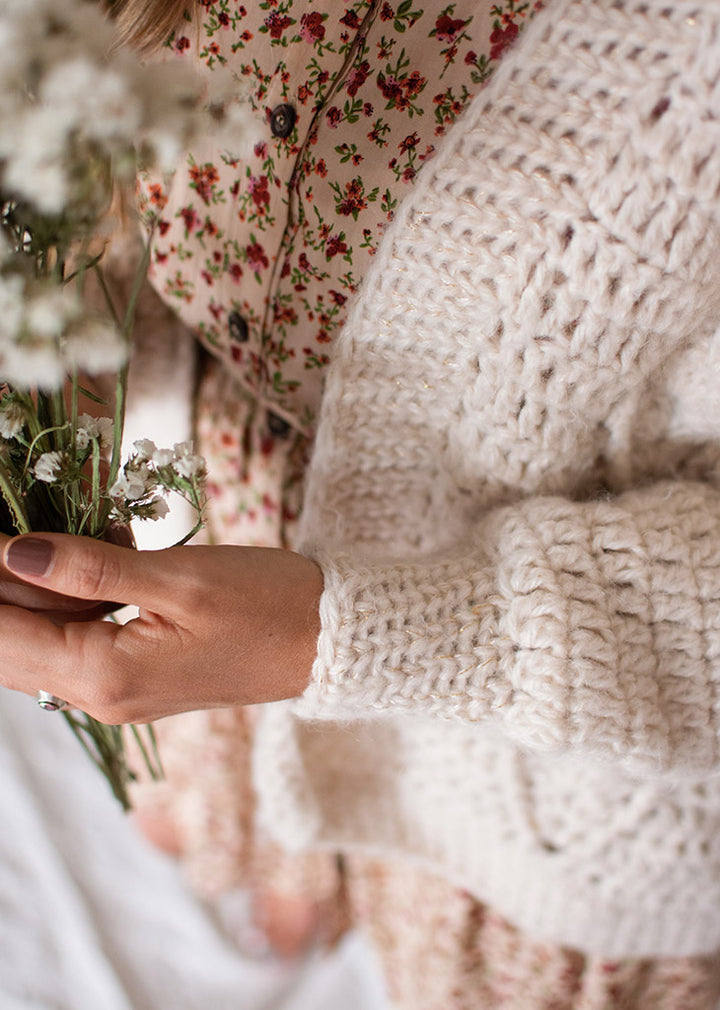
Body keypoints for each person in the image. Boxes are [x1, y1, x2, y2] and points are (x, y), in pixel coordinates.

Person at [3, 0, 720, 1006]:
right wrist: (60, 385)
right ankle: (295, 857)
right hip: (219, 574)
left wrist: (335, 638)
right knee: (266, 835)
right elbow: (103, 218)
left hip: (548, 750)